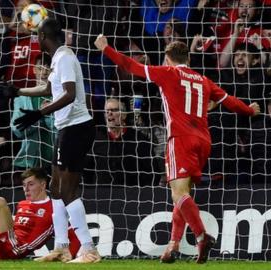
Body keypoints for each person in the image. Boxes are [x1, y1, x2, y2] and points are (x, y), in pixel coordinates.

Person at [94, 35, 261, 264]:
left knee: (178, 193)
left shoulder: (167, 73)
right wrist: (250, 110)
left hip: (180, 139)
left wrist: (106, 49)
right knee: (183, 195)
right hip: (204, 141)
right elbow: (228, 101)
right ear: (188, 58)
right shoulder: (203, 79)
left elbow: (131, 66)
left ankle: (202, 236)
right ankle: (172, 245)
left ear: (166, 58)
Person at [0, 18, 99, 263]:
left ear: (43, 37)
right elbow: (48, 89)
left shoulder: (64, 58)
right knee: (55, 189)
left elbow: (70, 94)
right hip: (66, 129)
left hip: (76, 128)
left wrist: (40, 113)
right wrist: (18, 91)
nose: (36, 40)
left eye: (37, 36)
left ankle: (89, 249)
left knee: (67, 190)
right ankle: (62, 247)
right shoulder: (58, 58)